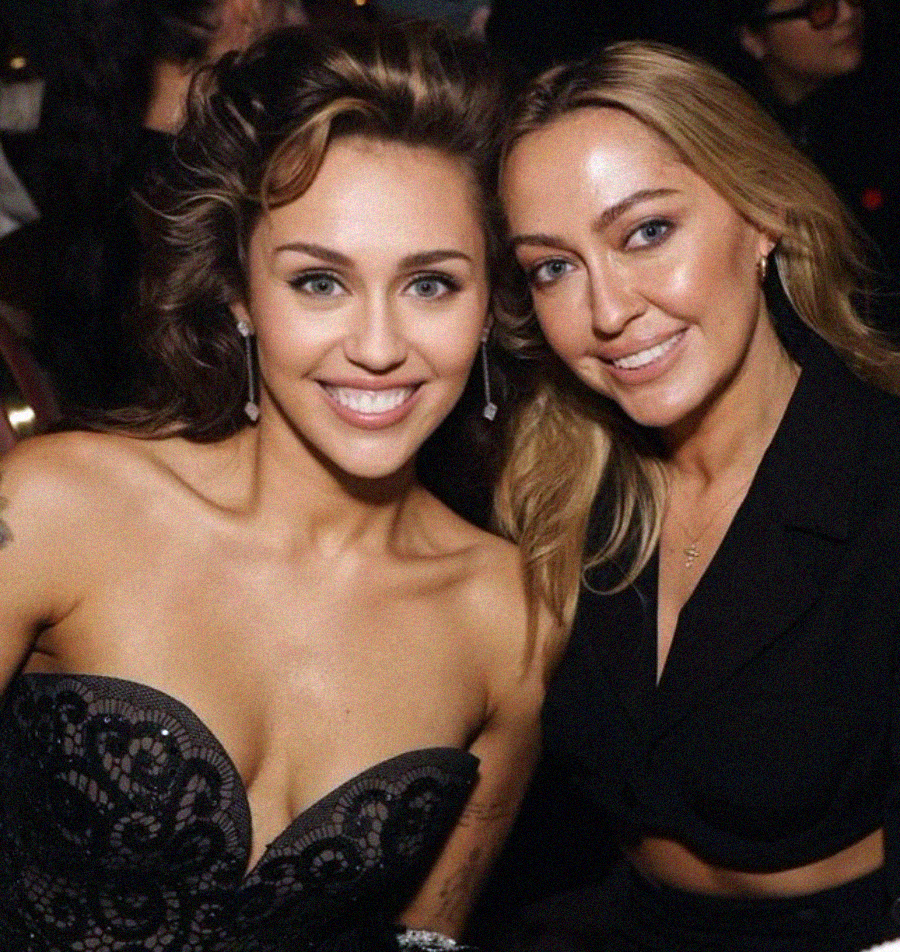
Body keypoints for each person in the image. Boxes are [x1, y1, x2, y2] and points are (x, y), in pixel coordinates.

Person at [0, 23, 556, 951]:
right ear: (236, 294)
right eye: (318, 282)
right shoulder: (60, 508)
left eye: (430, 285)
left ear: (490, 304)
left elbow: (431, 938)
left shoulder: (513, 621)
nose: (378, 347)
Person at [493, 39, 900, 951]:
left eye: (646, 232)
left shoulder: (878, 483)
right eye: (552, 266)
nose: (606, 310)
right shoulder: (556, 487)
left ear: (764, 215)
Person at [33, 0, 307, 413]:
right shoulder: (222, 197)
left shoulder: (98, 166)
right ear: (245, 12)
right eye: (288, 5)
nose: (302, 20)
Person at [722, 0, 900, 331]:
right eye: (820, 9)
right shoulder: (735, 144)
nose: (848, 14)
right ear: (754, 39)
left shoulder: (879, 109)